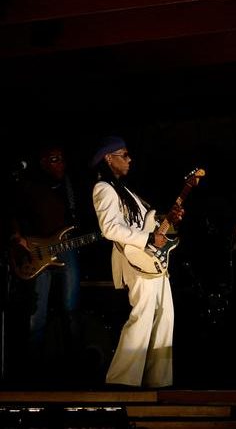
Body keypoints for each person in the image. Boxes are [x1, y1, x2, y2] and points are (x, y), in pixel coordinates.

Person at [90, 136, 184, 388]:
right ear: (108, 158)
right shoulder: (104, 189)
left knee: (165, 318)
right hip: (134, 260)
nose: (129, 159)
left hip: (149, 260)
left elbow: (150, 224)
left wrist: (169, 220)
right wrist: (148, 238)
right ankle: (122, 381)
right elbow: (110, 228)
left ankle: (159, 381)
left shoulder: (127, 192)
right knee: (142, 317)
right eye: (124, 155)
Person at [8, 144, 84, 379]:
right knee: (36, 313)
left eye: (62, 159)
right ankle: (32, 372)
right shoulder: (28, 186)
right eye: (54, 159)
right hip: (35, 251)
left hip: (64, 248)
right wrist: (17, 238)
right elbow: (12, 212)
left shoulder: (69, 186)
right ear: (42, 163)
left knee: (71, 308)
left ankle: (75, 369)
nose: (60, 163)